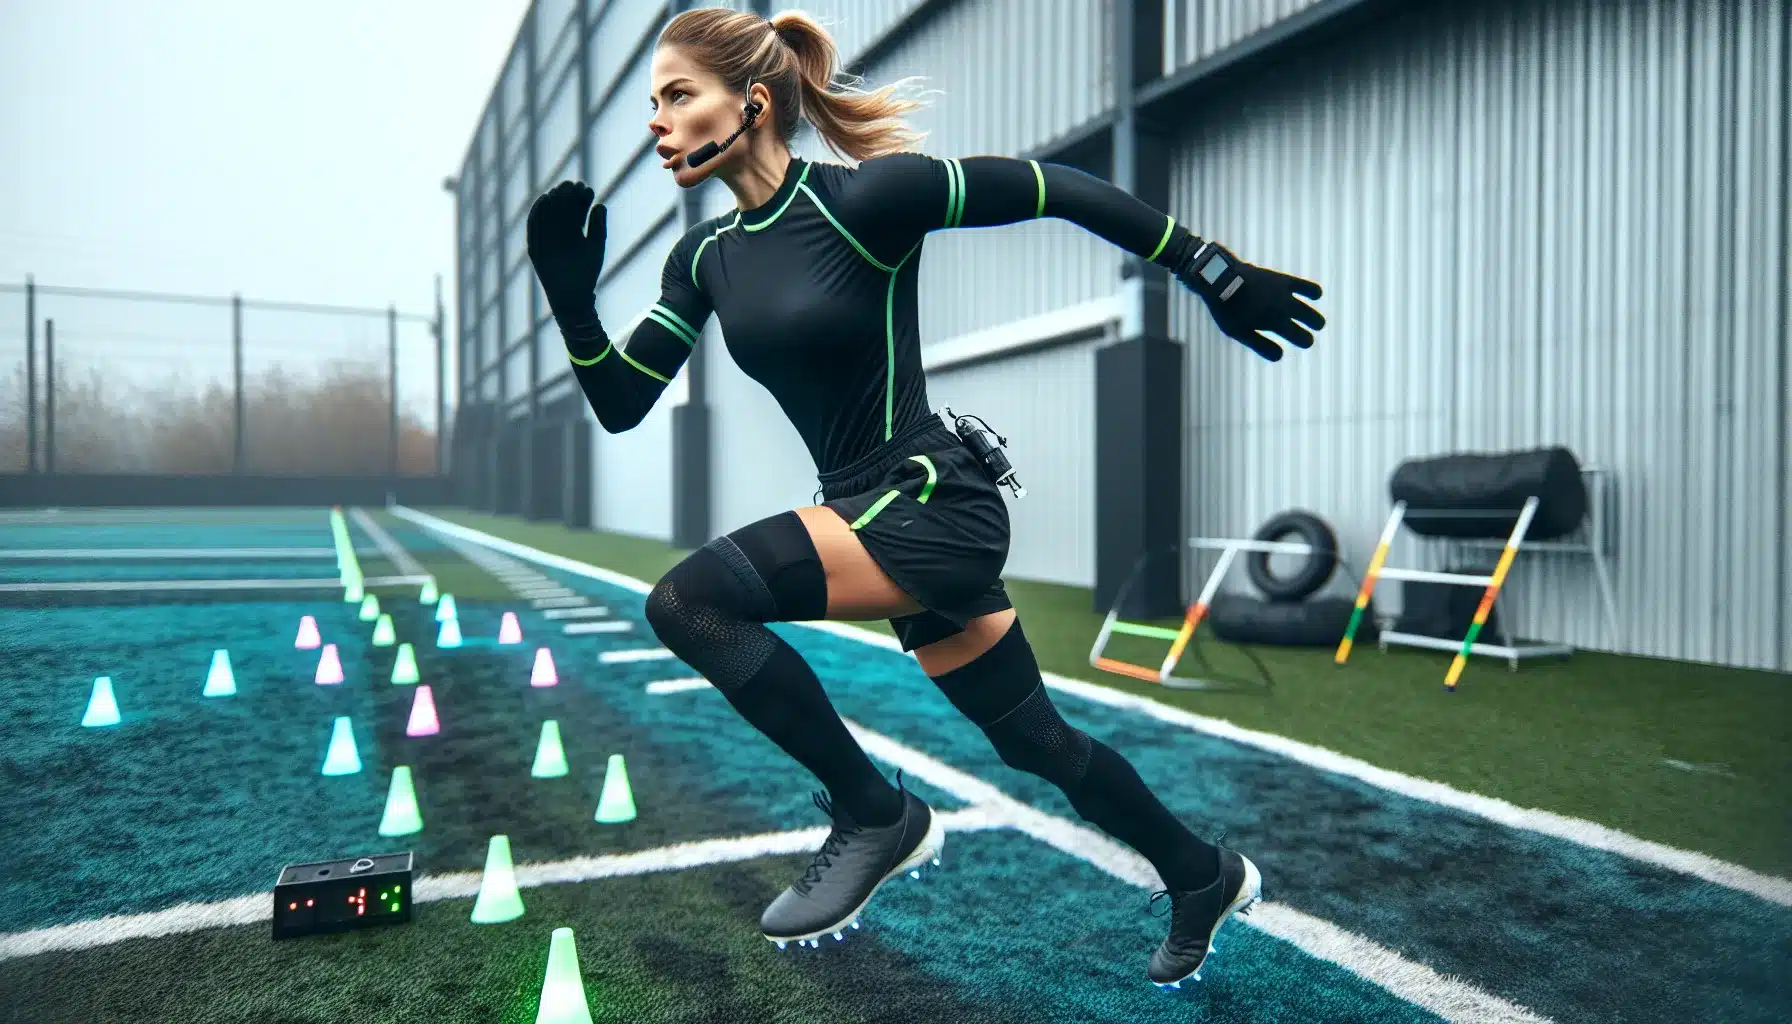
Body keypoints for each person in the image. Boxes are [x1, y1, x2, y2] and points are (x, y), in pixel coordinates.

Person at [526, 6, 1324, 990]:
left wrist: (1211, 270)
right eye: (653, 102)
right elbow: (621, 401)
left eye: (677, 95)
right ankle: (1201, 872)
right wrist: (572, 302)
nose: (656, 121)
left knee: (689, 601)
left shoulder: (869, 198)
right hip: (865, 510)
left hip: (929, 500)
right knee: (1035, 741)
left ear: (753, 103)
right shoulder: (702, 259)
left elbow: (1053, 188)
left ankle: (875, 813)